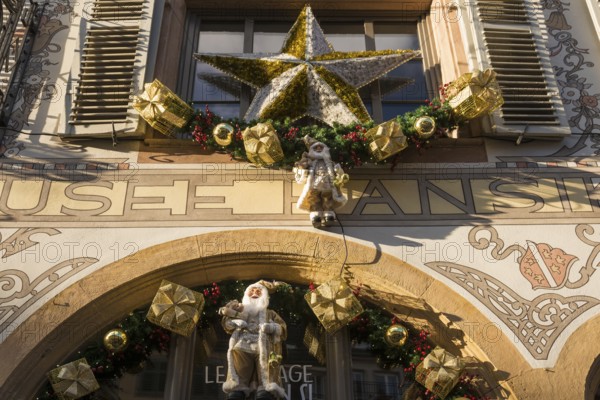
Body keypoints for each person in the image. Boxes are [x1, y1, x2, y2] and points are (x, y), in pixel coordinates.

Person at [219, 281, 287, 400]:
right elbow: (226, 323)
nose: (254, 293)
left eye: (258, 291)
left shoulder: (270, 314)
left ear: (264, 296)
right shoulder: (239, 310)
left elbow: (282, 328)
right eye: (252, 290)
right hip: (242, 346)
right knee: (239, 375)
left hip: (264, 348)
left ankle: (265, 392)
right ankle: (237, 391)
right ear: (246, 294)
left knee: (265, 374)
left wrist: (271, 327)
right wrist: (234, 322)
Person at [294, 135, 348, 227]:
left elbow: (339, 172)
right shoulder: (310, 161)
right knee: (314, 199)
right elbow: (301, 171)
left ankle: (328, 214)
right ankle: (316, 215)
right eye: (316, 147)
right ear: (312, 150)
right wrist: (302, 168)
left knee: (328, 199)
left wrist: (337, 170)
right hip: (314, 185)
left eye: (321, 147)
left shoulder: (330, 162)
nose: (319, 148)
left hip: (327, 184)